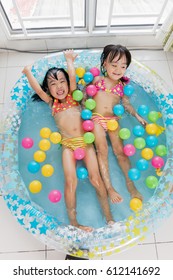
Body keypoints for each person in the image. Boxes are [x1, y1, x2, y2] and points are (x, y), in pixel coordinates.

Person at [22, 50, 114, 232]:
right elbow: (37, 90)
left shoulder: (75, 96)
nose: (59, 86)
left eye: (61, 81)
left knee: (96, 179)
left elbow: (72, 78)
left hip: (86, 143)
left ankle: (109, 218)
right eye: (53, 84)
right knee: (70, 181)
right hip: (68, 146)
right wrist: (27, 72)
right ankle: (74, 222)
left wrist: (69, 61)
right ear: (48, 89)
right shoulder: (51, 103)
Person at [90, 44, 147, 203]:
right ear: (105, 64)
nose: (118, 69)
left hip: (113, 120)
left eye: (123, 66)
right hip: (96, 118)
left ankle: (131, 186)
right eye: (114, 65)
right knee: (102, 150)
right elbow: (85, 97)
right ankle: (109, 187)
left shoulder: (122, 86)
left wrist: (137, 116)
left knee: (120, 152)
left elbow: (126, 104)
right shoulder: (97, 80)